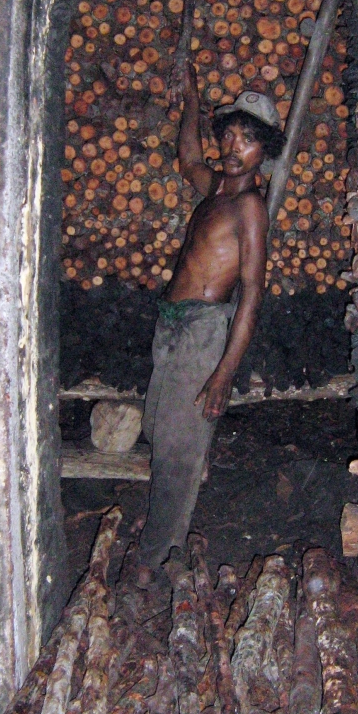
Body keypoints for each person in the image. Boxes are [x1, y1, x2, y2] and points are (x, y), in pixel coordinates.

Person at [138, 61, 285, 569]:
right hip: (172, 324)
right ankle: (165, 524)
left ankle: (156, 559)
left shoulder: (249, 206)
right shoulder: (213, 190)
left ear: (264, 151)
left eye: (248, 140)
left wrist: (224, 372)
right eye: (231, 136)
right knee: (159, 429)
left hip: (203, 332)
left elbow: (252, 292)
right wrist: (194, 99)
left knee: (178, 449)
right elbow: (186, 156)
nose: (234, 147)